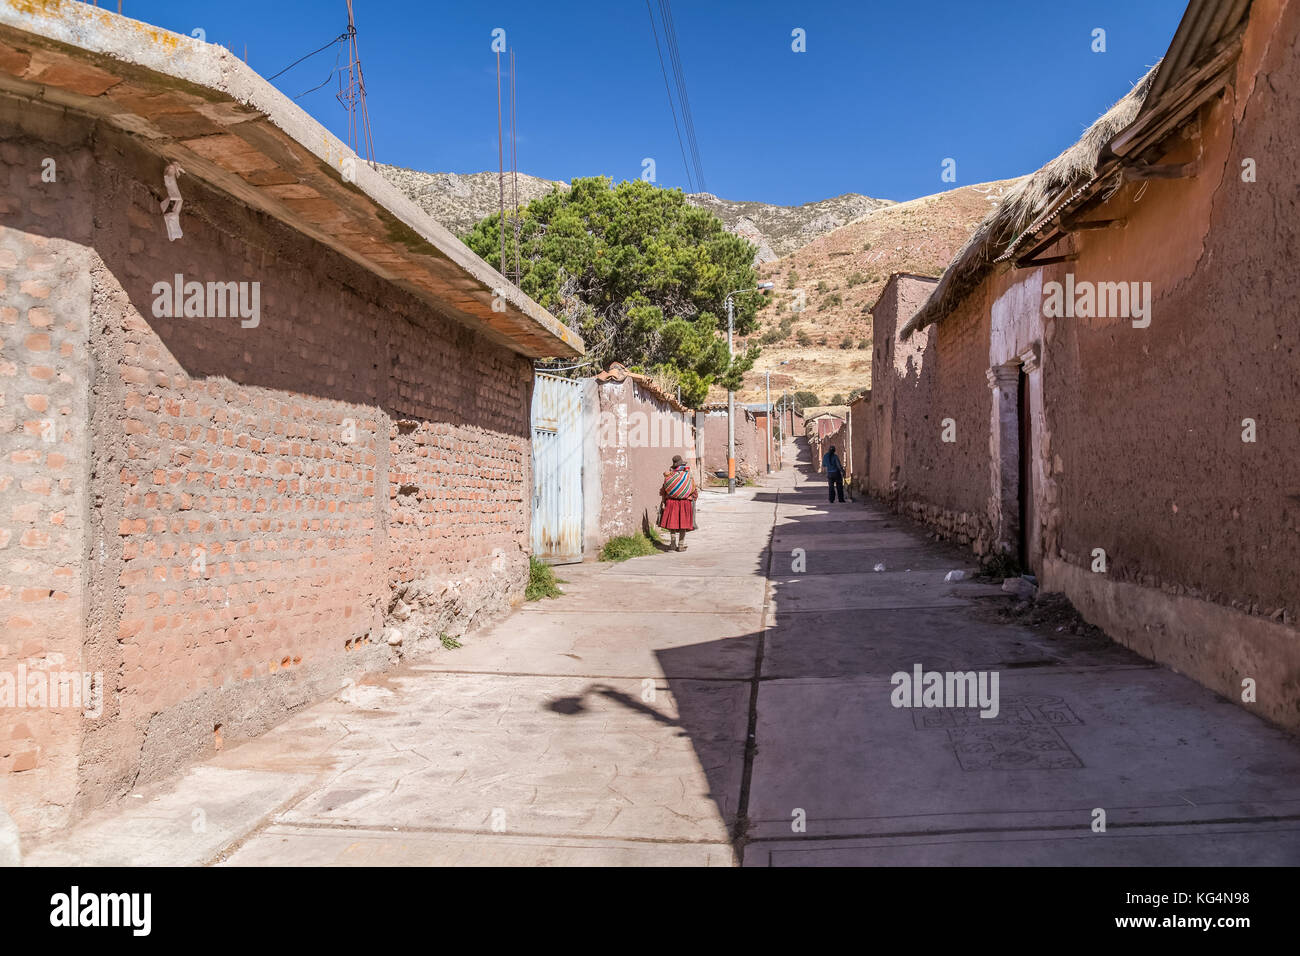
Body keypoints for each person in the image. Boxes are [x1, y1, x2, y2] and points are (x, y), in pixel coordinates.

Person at [658, 454, 698, 551]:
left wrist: (664, 501)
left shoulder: (669, 477)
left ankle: (672, 545)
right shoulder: (688, 476)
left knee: (673, 524)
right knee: (682, 525)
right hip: (684, 503)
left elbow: (663, 491)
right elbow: (694, 490)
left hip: (671, 503)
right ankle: (680, 545)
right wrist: (692, 497)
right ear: (682, 466)